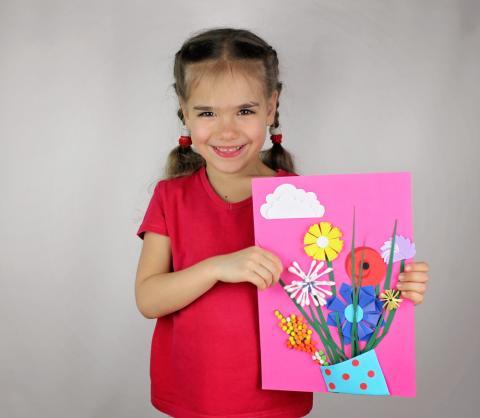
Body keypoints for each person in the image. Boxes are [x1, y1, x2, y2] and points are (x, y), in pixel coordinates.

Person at [134, 27, 430, 418]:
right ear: (184, 111)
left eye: (245, 110)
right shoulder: (170, 197)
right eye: (207, 112)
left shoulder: (305, 205)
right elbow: (148, 299)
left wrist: (397, 285)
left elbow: (345, 284)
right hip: (192, 395)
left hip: (274, 401)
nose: (226, 130)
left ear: (271, 107)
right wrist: (219, 267)